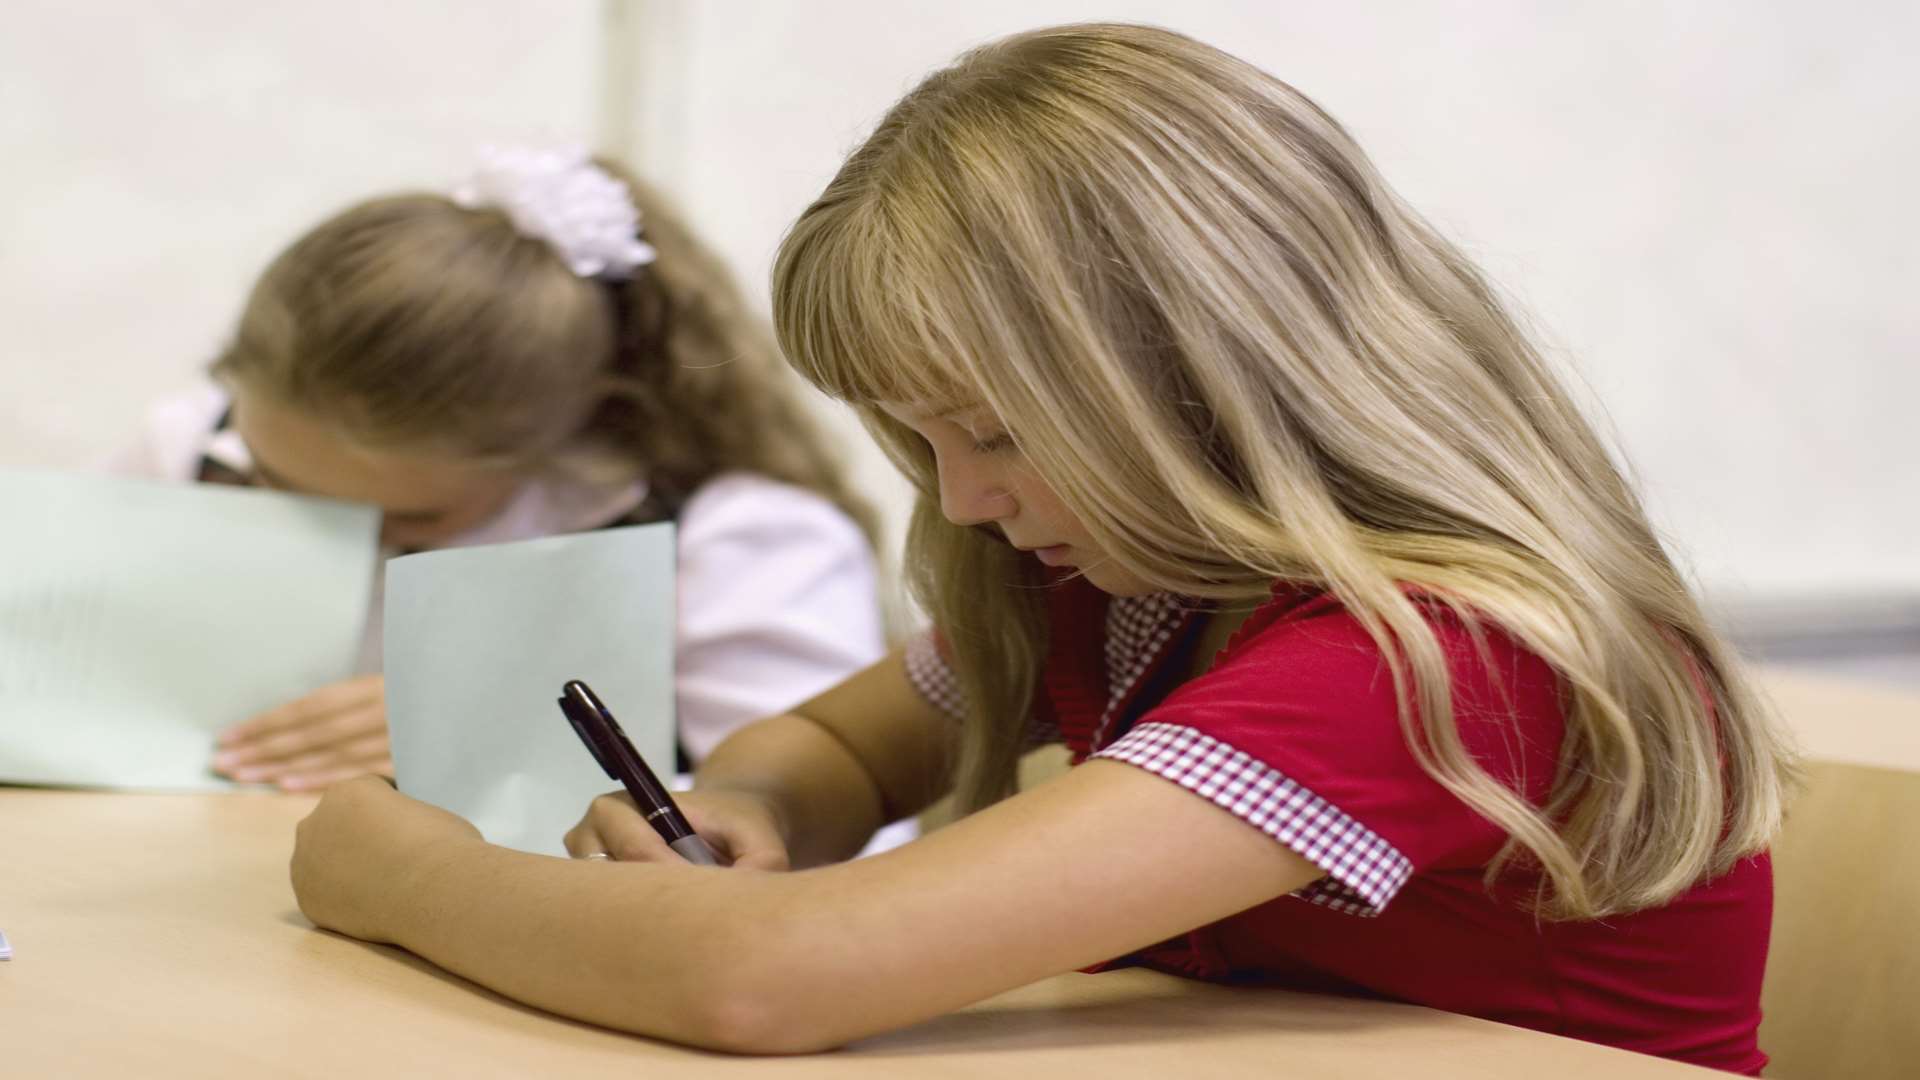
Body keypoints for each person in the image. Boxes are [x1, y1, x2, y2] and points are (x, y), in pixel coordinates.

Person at [288, 26, 1797, 1073]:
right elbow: (837, 744)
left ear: (1219, 377)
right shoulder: (1127, 576)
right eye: (922, 444)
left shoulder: (1429, 656)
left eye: (995, 434)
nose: (959, 500)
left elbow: (765, 981)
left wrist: (400, 873)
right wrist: (754, 806)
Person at [115, 146, 885, 790]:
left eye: (412, 524)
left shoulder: (738, 545)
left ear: (563, 443)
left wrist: (500, 759)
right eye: (278, 490)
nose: (346, 546)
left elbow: (840, 850)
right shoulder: (187, 449)